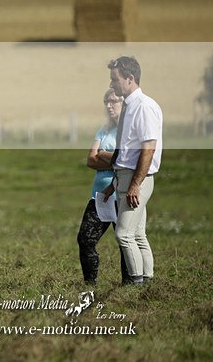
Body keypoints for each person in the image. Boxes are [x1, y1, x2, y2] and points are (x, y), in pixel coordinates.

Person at [102, 56, 163, 285]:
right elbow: (125, 149)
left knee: (123, 234)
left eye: (114, 79)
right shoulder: (128, 105)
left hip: (137, 178)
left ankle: (137, 286)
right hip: (124, 177)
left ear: (130, 78)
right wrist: (114, 183)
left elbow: (148, 149)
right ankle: (148, 283)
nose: (111, 85)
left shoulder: (145, 106)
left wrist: (136, 184)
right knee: (137, 234)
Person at [77, 89, 127, 285]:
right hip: (99, 196)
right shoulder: (104, 129)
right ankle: (91, 283)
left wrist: (106, 156)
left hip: (120, 194)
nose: (109, 105)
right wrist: (114, 159)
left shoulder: (128, 130)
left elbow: (127, 162)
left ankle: (130, 283)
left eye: (113, 101)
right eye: (106, 101)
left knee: (125, 242)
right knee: (85, 239)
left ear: (124, 104)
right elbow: (91, 159)